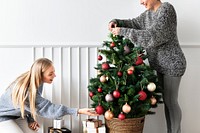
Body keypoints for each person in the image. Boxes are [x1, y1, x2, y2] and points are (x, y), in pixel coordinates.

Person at [108, 0, 186, 133]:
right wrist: (117, 22)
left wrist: (123, 31)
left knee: (171, 102)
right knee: (168, 103)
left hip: (173, 64)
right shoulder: (148, 14)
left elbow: (153, 36)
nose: (141, 2)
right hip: (160, 65)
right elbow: (134, 23)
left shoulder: (166, 10)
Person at [0, 58, 98, 133]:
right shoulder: (27, 91)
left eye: (53, 72)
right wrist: (78, 111)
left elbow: (30, 105)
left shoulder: (36, 81)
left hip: (17, 115)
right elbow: (49, 109)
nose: (54, 75)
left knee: (35, 130)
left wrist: (31, 119)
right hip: (2, 117)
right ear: (40, 75)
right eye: (50, 74)